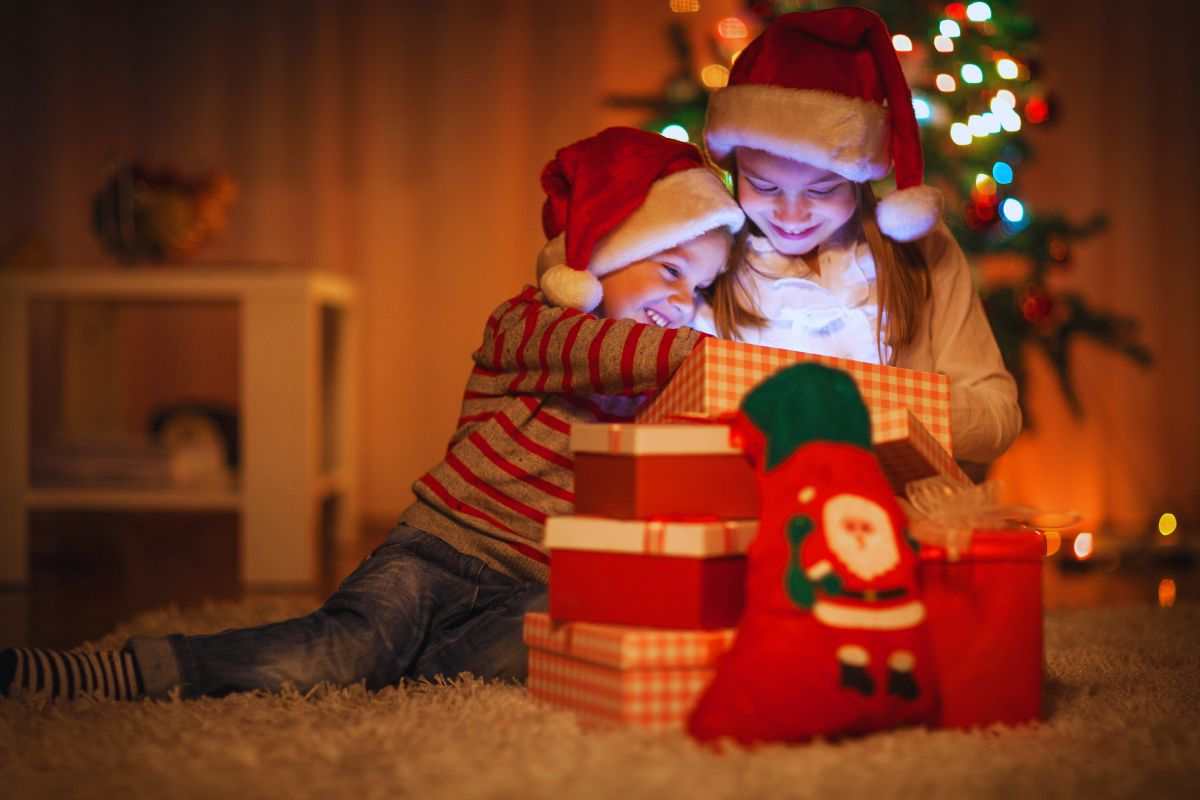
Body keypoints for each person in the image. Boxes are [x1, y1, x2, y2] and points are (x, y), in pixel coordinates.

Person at [0, 127, 744, 701]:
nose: (683, 303)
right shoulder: (532, 324)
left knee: (544, 647)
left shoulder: (655, 391)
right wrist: (718, 362)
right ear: (596, 257)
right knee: (334, 653)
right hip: (438, 553)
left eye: (702, 290)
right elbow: (609, 350)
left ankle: (409, 672)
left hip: (530, 584)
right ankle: (129, 672)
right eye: (671, 270)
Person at [693, 7, 1021, 467]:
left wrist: (868, 403)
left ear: (858, 178)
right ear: (733, 167)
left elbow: (996, 417)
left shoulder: (921, 249)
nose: (791, 214)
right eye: (763, 186)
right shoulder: (705, 255)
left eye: (823, 189)